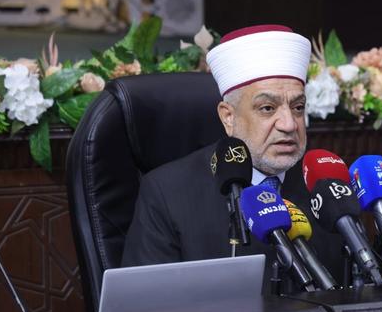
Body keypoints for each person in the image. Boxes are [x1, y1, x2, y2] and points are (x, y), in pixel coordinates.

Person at [121, 25, 346, 290]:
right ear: (228, 117)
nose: (289, 124)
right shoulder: (167, 193)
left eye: (298, 107)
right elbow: (144, 304)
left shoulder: (325, 186)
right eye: (267, 108)